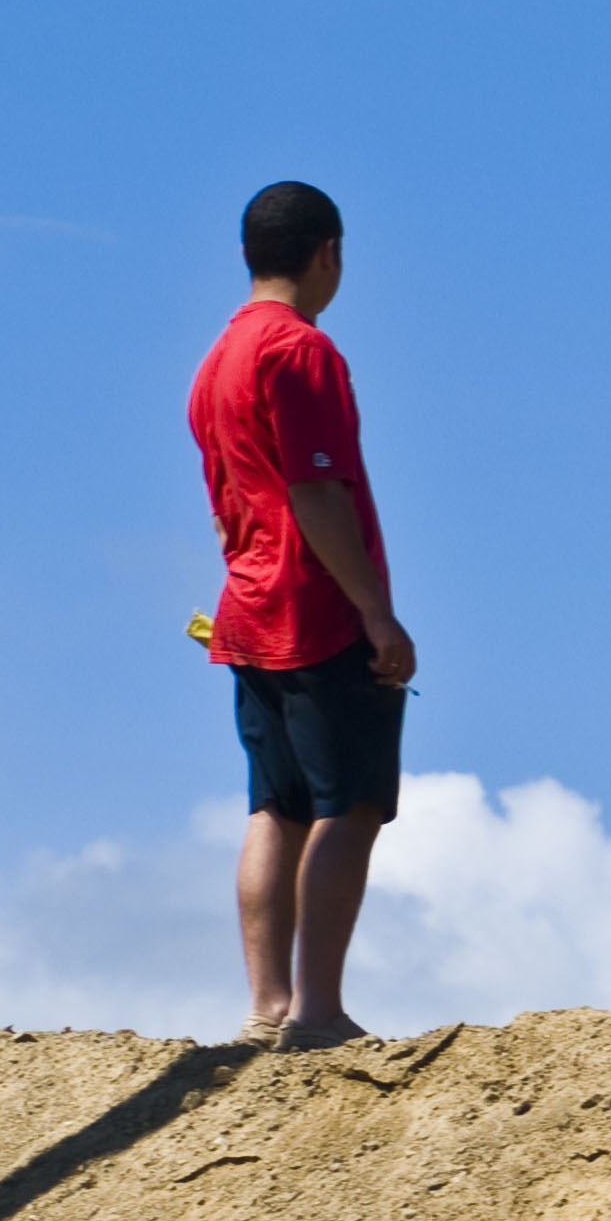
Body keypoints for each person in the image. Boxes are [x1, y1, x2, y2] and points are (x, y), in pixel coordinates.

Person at [187, 181, 415, 1049]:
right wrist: (377, 613)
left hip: (245, 607)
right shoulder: (300, 350)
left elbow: (223, 504)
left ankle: (267, 1006)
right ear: (329, 253)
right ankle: (318, 1010)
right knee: (347, 807)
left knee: (274, 807)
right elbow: (316, 490)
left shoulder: (216, 361)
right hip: (315, 608)